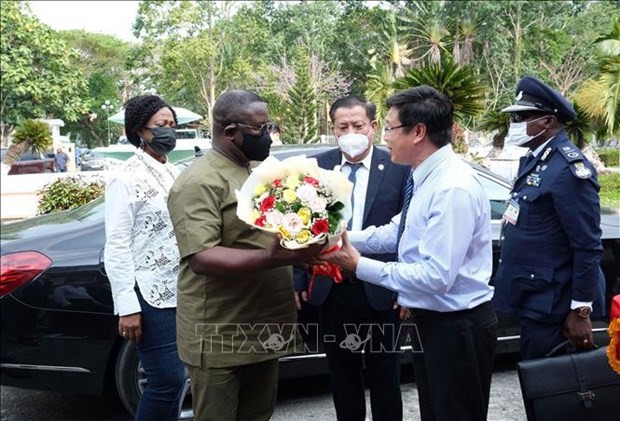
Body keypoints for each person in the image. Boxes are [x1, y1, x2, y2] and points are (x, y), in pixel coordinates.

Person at [320, 86, 498, 421]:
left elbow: (435, 276)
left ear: (418, 132)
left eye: (388, 127)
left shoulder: (451, 187)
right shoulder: (425, 177)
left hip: (456, 327)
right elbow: (394, 232)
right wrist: (336, 238)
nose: (384, 137)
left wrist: (358, 265)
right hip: (433, 323)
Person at [167, 89, 323, 421]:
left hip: (265, 324)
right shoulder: (198, 182)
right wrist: (274, 259)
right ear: (230, 133)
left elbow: (272, 235)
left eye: (269, 126)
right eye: (260, 129)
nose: (269, 136)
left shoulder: (258, 172)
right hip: (221, 332)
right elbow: (202, 257)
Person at [294, 95, 409, 421]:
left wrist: (406, 290)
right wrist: (299, 278)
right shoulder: (315, 167)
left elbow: (407, 234)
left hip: (381, 290)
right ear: (332, 129)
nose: (350, 132)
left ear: (373, 126)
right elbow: (299, 229)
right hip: (332, 289)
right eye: (342, 126)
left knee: (385, 375)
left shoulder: (399, 168)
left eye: (357, 125)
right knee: (342, 376)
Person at [493, 76, 605, 361]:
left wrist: (580, 311)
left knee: (553, 393)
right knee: (535, 389)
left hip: (555, 307)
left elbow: (587, 245)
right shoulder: (536, 159)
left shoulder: (568, 169)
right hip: (535, 298)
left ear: (547, 122)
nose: (515, 123)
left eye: (522, 116)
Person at [104, 94, 186, 421]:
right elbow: (117, 244)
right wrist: (127, 305)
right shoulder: (126, 178)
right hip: (149, 294)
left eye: (172, 125)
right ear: (140, 130)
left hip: (183, 288)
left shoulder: (176, 172)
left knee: (178, 380)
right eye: (160, 126)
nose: (168, 131)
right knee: (167, 380)